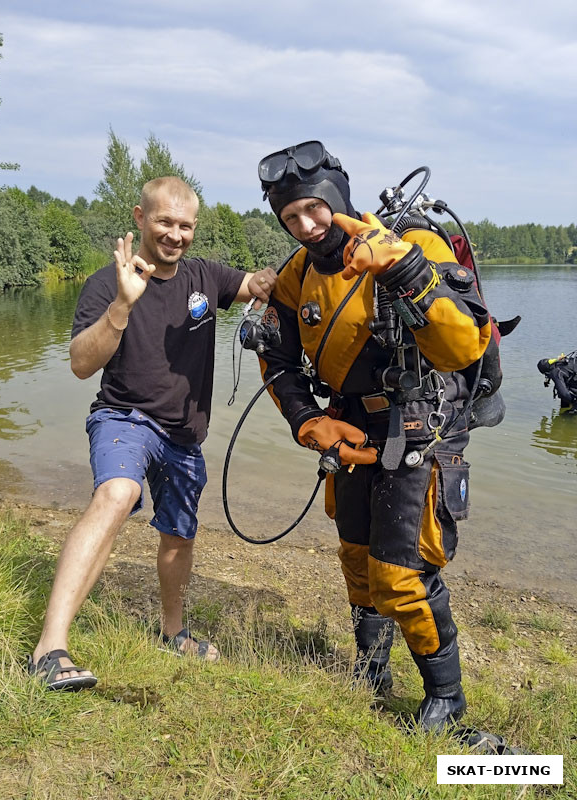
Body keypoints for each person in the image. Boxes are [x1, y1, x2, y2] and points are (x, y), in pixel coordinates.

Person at [255, 140, 492, 731]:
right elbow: (278, 360)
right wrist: (307, 420)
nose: (306, 226)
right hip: (348, 421)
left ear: (337, 197)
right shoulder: (295, 277)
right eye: (291, 218)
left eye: (313, 208)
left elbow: (463, 348)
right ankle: (371, 665)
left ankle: (446, 700)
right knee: (356, 554)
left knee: (401, 572)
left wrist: (404, 268)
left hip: (422, 417)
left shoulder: (414, 242)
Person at [28, 176, 277, 690]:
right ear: (141, 219)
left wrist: (278, 276)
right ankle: (49, 649)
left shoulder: (206, 277)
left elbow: (255, 283)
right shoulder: (106, 283)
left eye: (185, 226)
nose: (175, 234)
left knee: (177, 535)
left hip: (185, 435)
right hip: (124, 417)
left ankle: (173, 632)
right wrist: (122, 304)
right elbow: (79, 364)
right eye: (164, 221)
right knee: (118, 493)